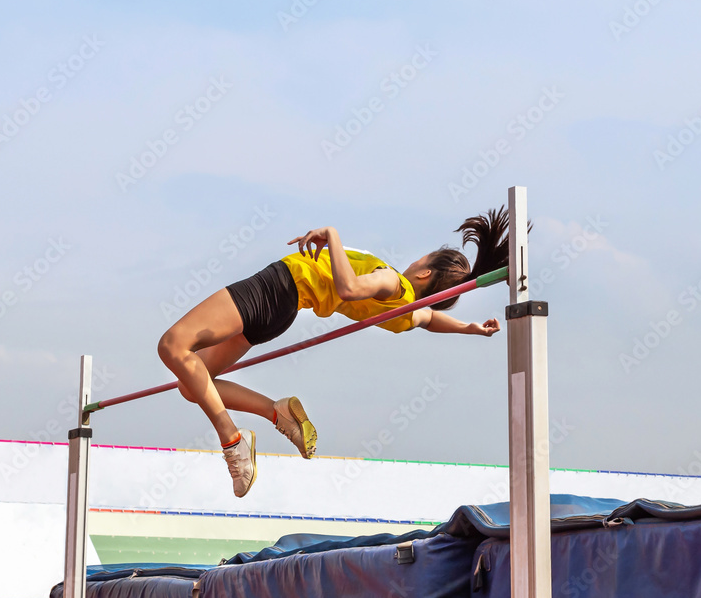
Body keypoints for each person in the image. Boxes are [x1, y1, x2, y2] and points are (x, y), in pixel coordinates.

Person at [157, 208, 511, 498]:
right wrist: (469, 327)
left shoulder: (392, 281)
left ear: (424, 272)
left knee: (173, 344)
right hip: (282, 310)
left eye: (421, 258)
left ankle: (231, 439)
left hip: (281, 286)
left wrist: (332, 234)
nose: (414, 260)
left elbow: (349, 288)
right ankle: (277, 413)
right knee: (192, 385)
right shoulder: (406, 313)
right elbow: (430, 318)